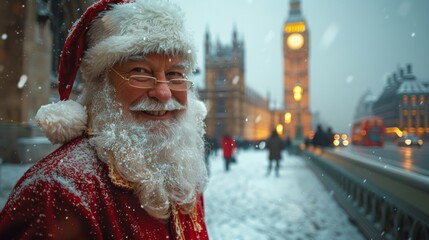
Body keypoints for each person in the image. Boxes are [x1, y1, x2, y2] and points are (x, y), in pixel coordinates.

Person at [0, 0, 209, 239]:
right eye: (140, 72)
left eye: (175, 74)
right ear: (102, 85)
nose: (163, 93)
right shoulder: (57, 192)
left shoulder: (181, 176)